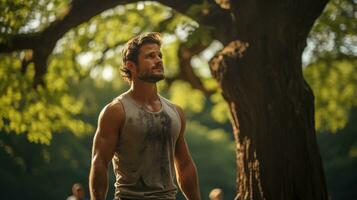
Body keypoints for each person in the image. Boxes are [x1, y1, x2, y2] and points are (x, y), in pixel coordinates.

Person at [89, 32, 201, 200]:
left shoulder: (175, 112)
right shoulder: (116, 111)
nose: (158, 60)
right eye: (150, 56)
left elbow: (184, 165)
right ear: (131, 66)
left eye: (159, 55)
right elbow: (99, 164)